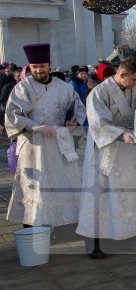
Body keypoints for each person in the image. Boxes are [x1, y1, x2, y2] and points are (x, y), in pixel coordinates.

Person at [76, 57, 136, 259]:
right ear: (121, 74)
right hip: (107, 151)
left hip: (132, 151)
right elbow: (98, 123)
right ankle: (96, 243)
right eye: (132, 80)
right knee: (101, 196)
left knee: (132, 195)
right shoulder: (99, 93)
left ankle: (132, 237)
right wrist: (120, 134)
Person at [5, 43, 86, 228]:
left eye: (42, 66)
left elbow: (78, 108)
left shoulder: (64, 87)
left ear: (49, 64)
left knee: (60, 185)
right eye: (35, 67)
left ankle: (60, 224)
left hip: (58, 144)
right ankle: (32, 226)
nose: (39, 70)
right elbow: (13, 115)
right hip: (34, 146)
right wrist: (35, 126)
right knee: (35, 188)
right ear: (30, 67)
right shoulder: (22, 88)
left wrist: (74, 121)